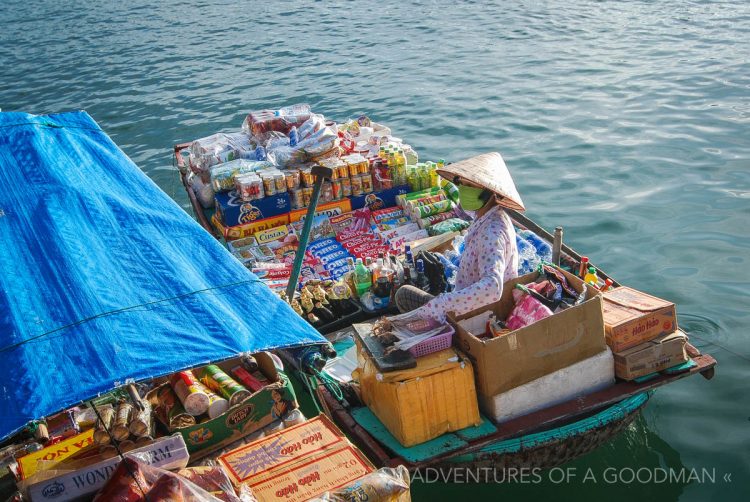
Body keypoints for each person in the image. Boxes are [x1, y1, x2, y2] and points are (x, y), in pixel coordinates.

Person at [394, 152, 525, 322]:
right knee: (407, 293)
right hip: (465, 301)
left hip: (478, 313)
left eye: (469, 185)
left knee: (404, 296)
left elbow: (492, 287)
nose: (462, 189)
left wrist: (443, 302)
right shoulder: (485, 216)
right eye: (460, 183)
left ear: (489, 193)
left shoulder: (493, 232)